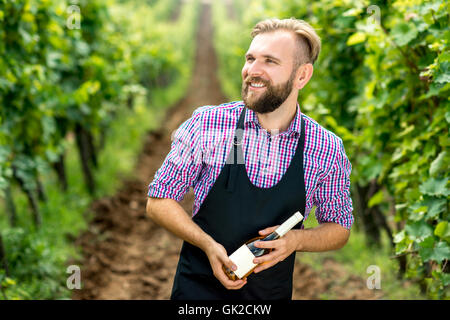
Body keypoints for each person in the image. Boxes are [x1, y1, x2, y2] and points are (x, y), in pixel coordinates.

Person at [146, 18, 354, 300]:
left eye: (269, 61)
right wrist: (207, 244)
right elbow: (159, 201)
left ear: (301, 76)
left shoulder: (325, 148)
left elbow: (340, 226)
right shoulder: (208, 124)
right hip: (197, 295)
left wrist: (296, 240)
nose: (252, 71)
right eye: (250, 58)